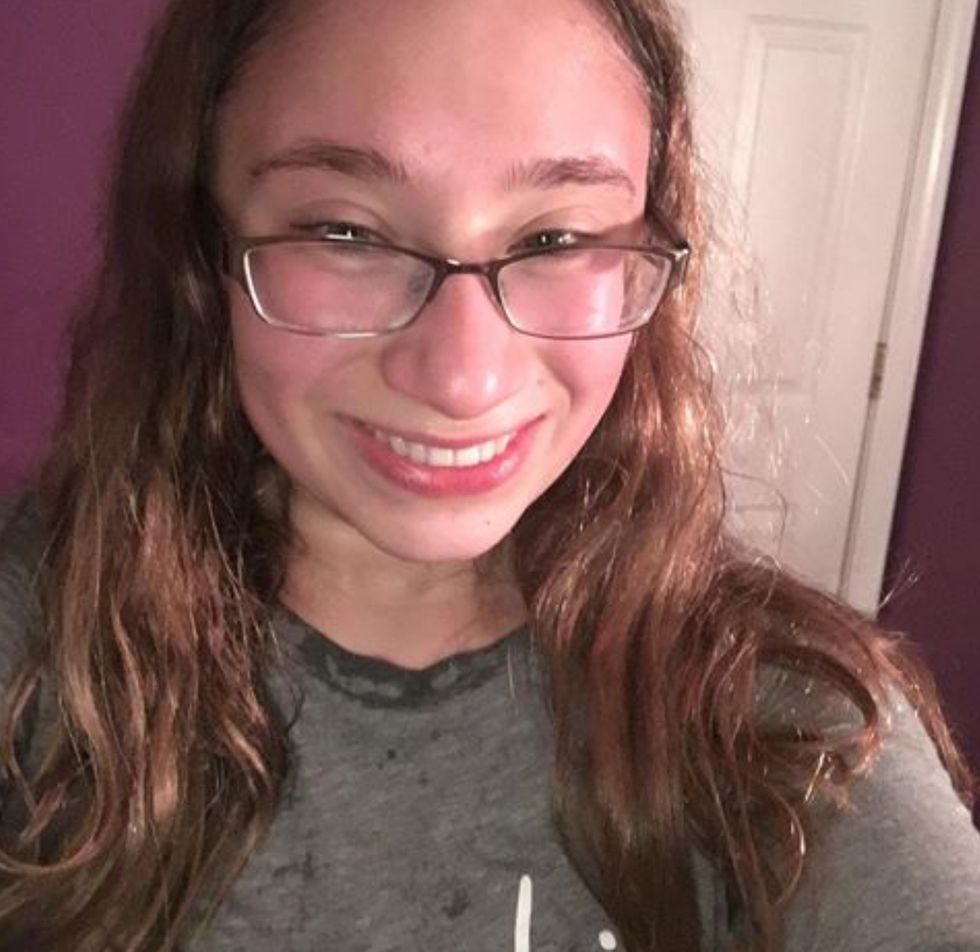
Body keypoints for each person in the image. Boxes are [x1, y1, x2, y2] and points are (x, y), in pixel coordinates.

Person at [1, 0, 979, 949]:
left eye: (555, 240)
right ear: (203, 246)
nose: (463, 378)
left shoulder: (797, 719)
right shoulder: (36, 645)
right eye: (346, 232)